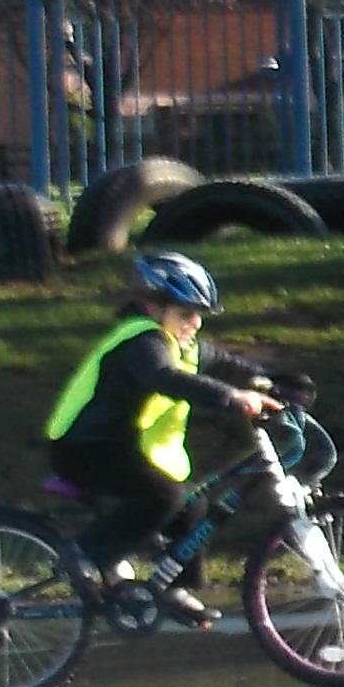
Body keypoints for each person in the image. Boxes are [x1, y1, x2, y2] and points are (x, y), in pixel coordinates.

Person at [45, 250, 279, 627]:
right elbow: (165, 377)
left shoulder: (182, 344)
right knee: (164, 496)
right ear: (153, 307)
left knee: (194, 504)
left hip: (122, 447)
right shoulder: (142, 342)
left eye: (199, 315)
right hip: (85, 448)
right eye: (186, 313)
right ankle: (84, 555)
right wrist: (231, 398)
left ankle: (172, 587)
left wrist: (273, 382)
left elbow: (227, 364)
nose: (195, 323)